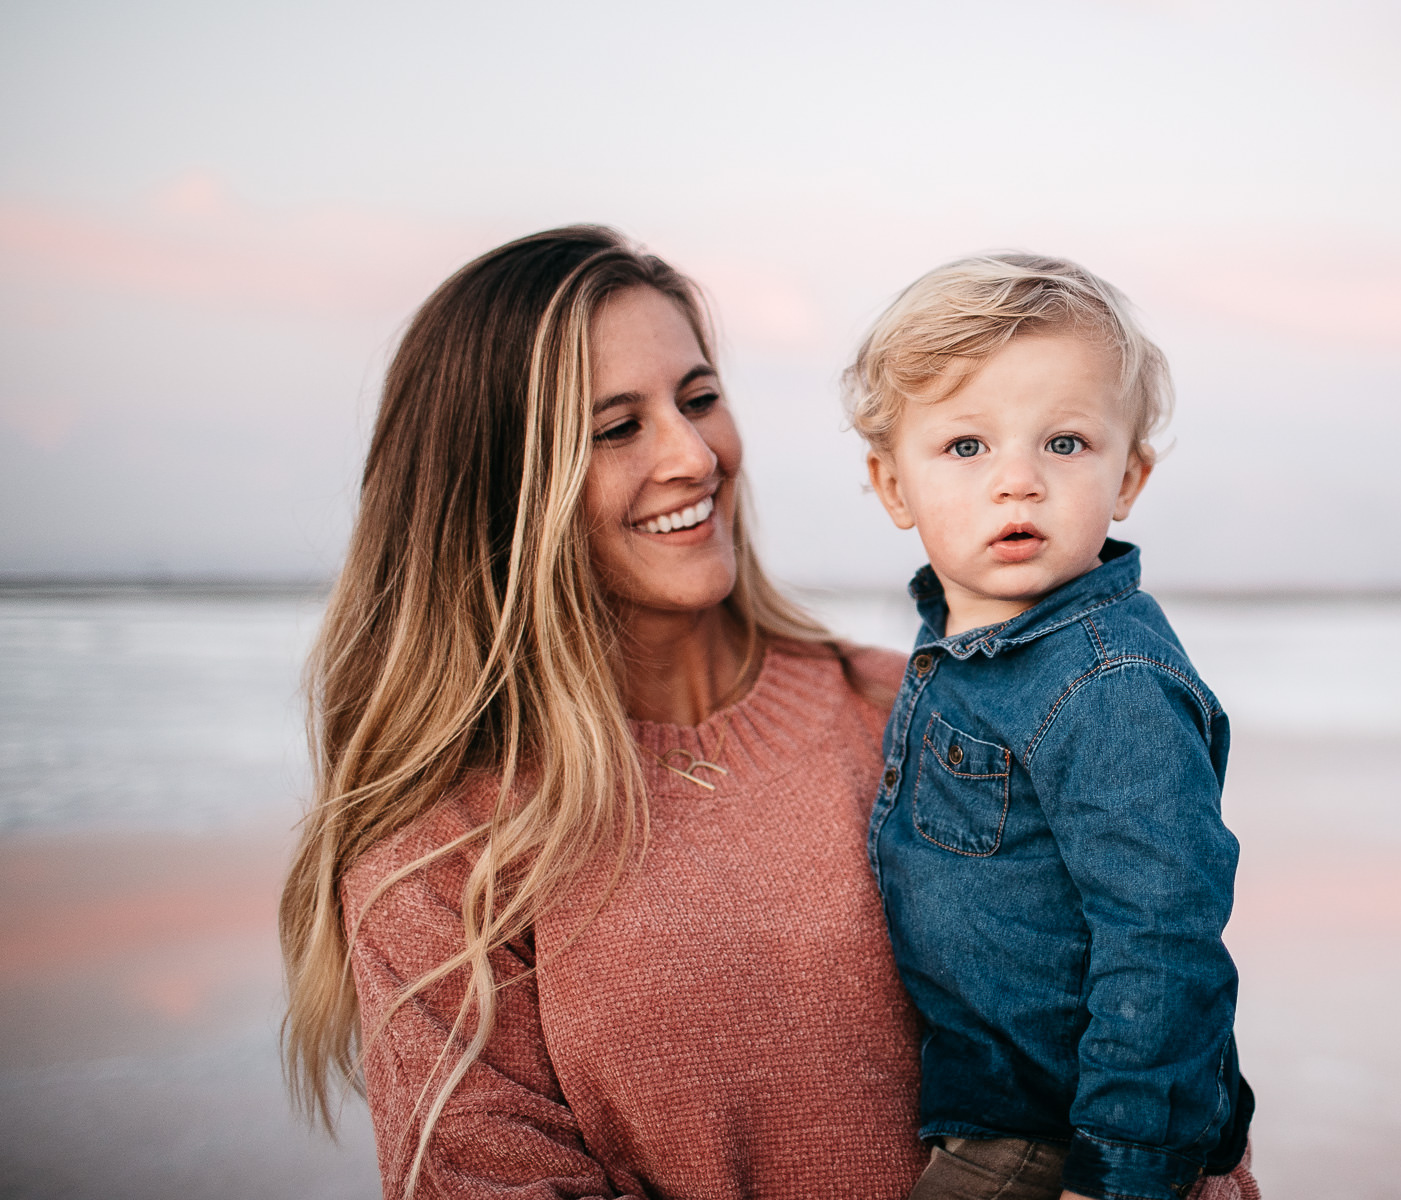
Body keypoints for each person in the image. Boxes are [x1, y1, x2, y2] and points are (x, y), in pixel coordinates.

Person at [279, 226, 929, 1199]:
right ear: (500, 490)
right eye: (615, 428)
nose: (693, 454)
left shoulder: (914, 712)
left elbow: (1148, 1058)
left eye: (699, 398)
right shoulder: (440, 847)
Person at [843, 255, 1258, 1200]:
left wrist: (1118, 1171)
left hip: (1049, 1141)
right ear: (892, 485)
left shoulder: (1110, 683)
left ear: (1129, 476)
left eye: (1065, 444)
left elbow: (1163, 940)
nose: (1018, 483)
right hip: (983, 1107)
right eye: (966, 447)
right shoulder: (958, 649)